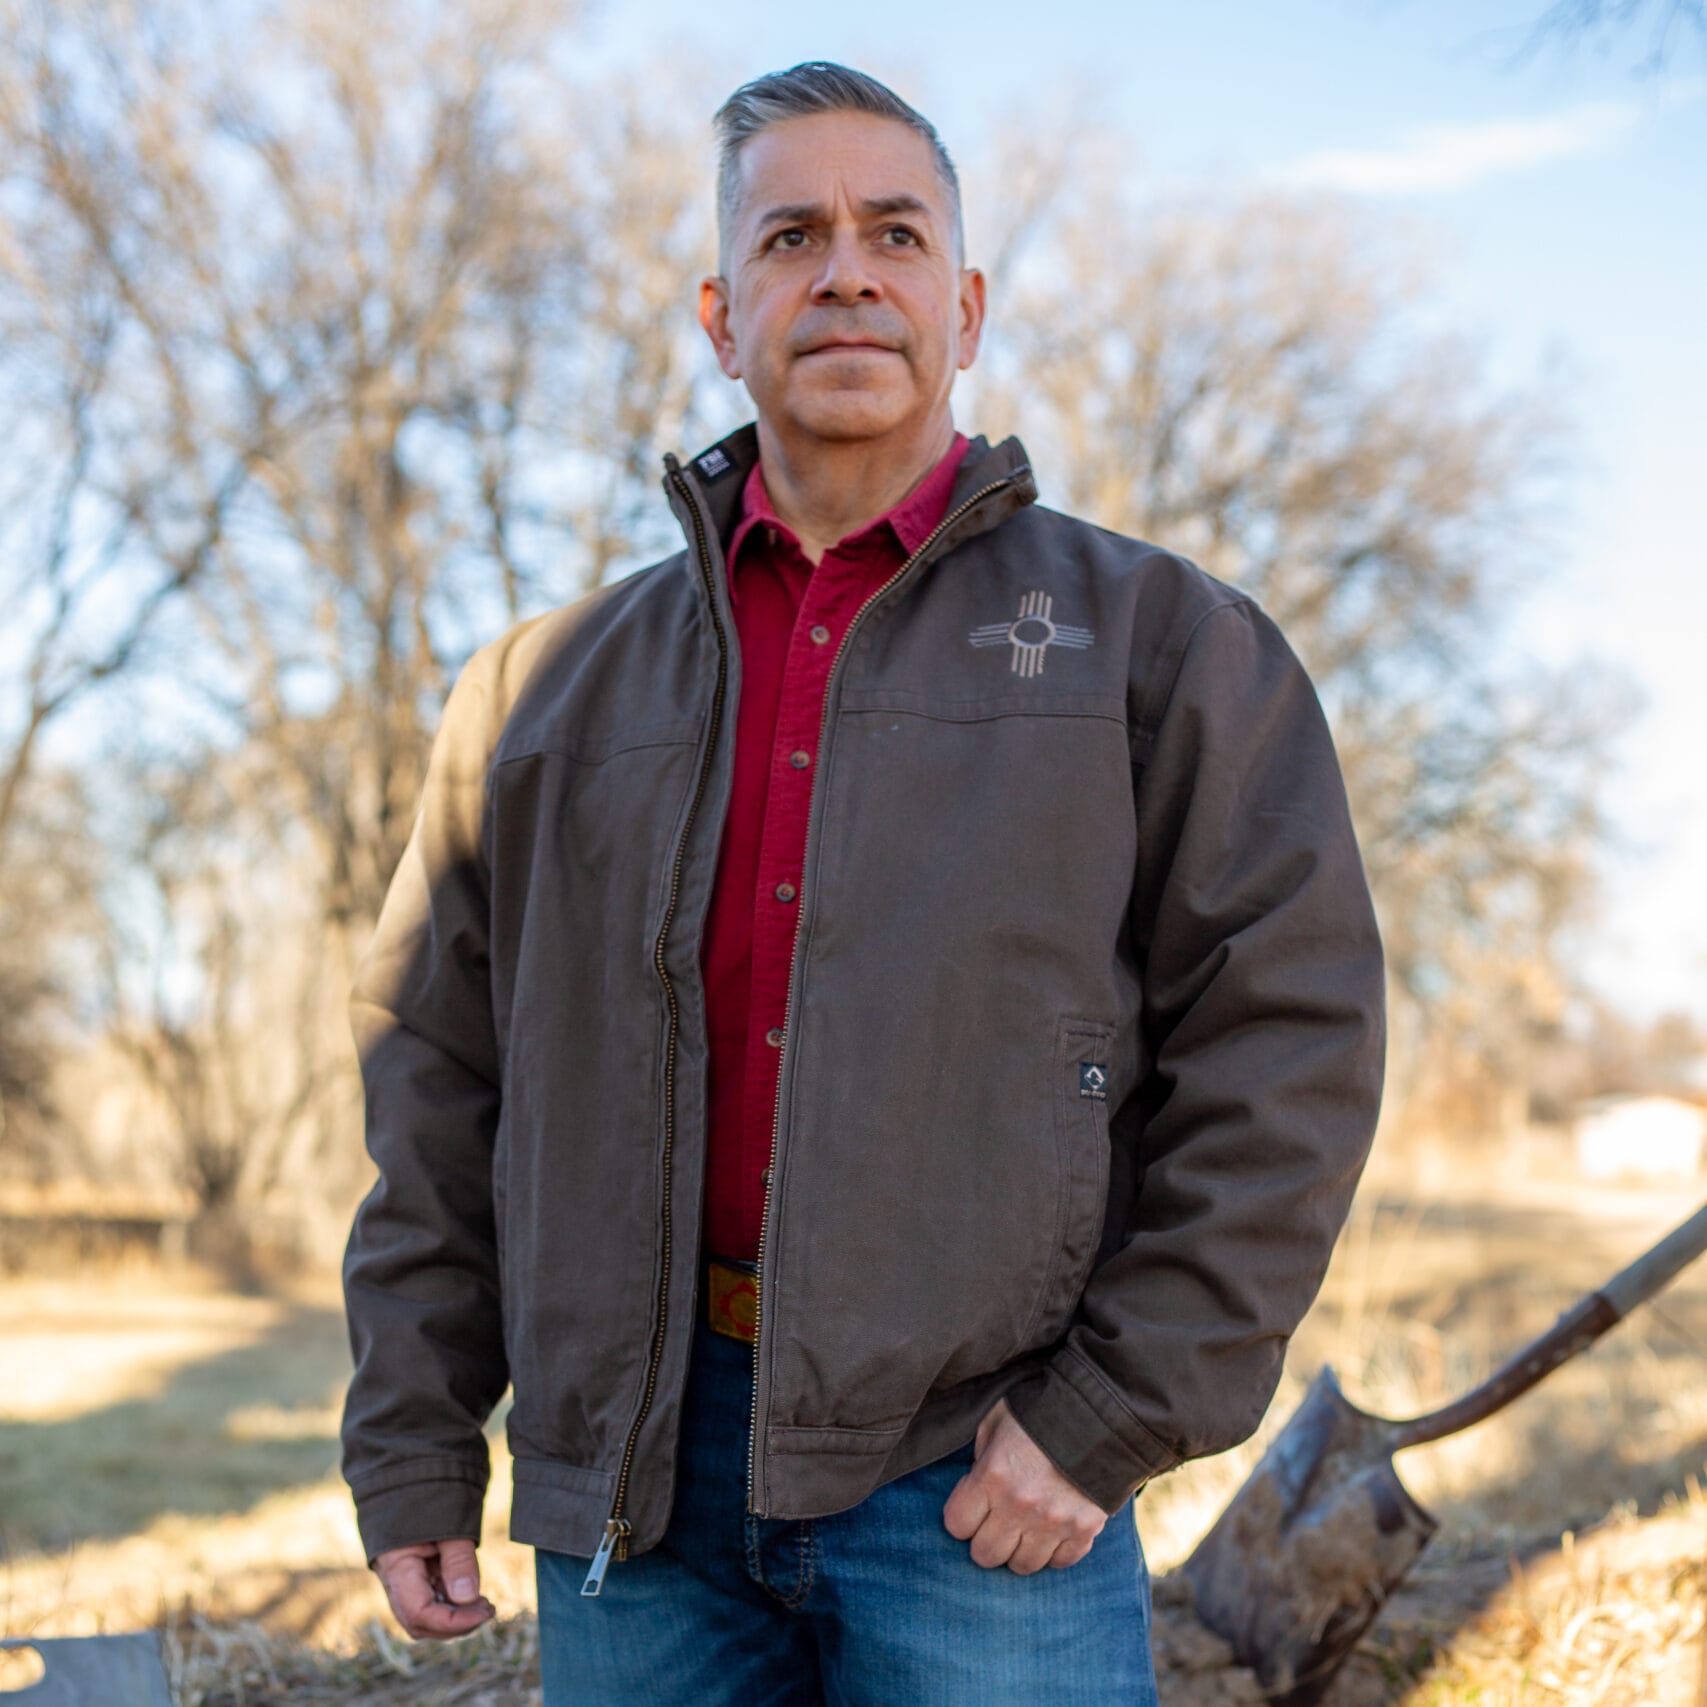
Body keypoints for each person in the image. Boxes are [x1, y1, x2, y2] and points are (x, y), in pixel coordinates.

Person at [338, 60, 1386, 1706]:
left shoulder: (1164, 648)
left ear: (961, 308)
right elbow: (437, 1078)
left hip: (982, 1478)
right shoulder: (539, 695)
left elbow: (1291, 1052)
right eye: (792, 236)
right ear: (719, 310)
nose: (845, 270)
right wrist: (411, 1438)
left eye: (894, 234)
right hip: (638, 1488)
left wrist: (1103, 1419)